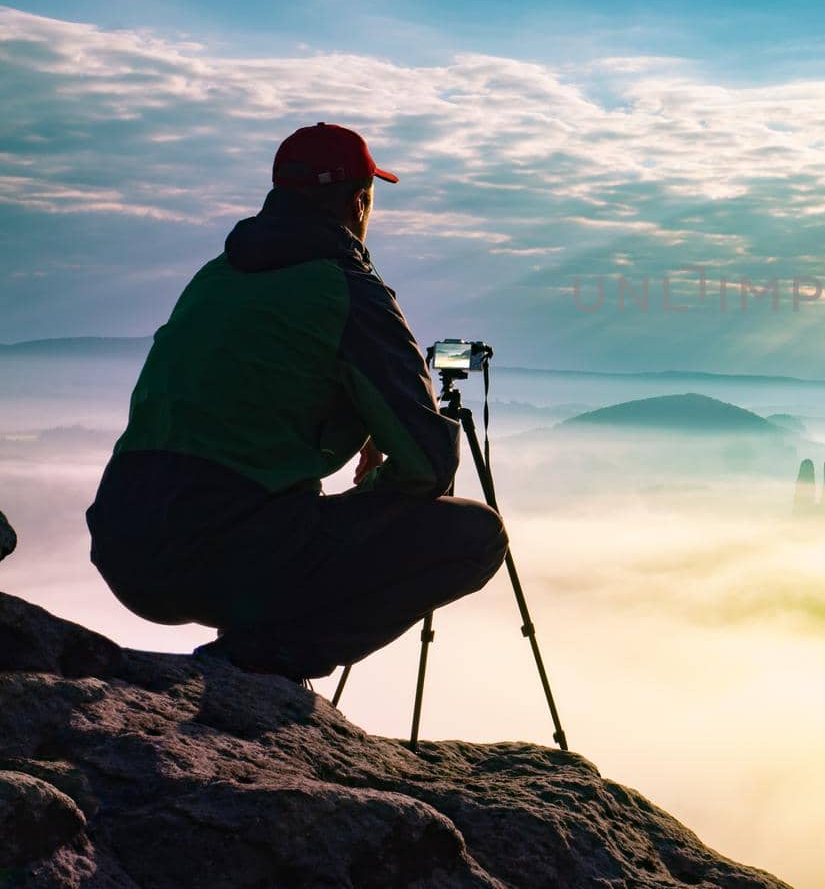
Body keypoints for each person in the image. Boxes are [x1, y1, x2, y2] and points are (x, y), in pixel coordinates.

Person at [86, 122, 509, 684]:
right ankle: (264, 660)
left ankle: (250, 646)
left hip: (123, 544)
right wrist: (375, 497)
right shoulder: (348, 289)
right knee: (475, 536)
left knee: (281, 505)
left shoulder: (216, 276)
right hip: (222, 552)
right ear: (360, 201)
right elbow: (430, 465)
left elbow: (251, 400)